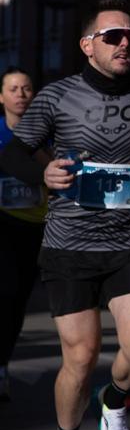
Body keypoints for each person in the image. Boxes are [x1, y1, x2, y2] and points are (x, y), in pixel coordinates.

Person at [0, 0, 130, 430]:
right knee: (81, 357)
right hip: (69, 245)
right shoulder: (57, 96)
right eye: (113, 36)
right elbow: (12, 154)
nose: (124, 43)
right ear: (88, 45)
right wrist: (42, 174)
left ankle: (115, 400)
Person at [0, 66, 47, 403]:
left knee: (16, 301)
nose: (20, 94)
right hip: (0, 224)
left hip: (35, 227)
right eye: (13, 89)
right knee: (4, 291)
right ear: (1, 97)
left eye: (26, 88)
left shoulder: (46, 135)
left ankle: (2, 361)